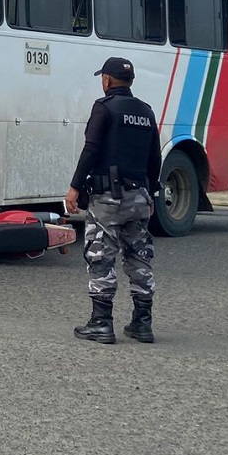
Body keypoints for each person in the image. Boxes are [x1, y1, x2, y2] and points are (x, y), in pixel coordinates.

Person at [64, 57, 162, 344]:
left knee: (100, 256)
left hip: (109, 198)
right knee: (139, 257)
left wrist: (74, 188)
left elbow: (91, 149)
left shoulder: (104, 108)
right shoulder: (146, 111)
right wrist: (152, 192)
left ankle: (101, 323)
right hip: (140, 197)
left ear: (107, 80)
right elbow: (154, 156)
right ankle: (143, 324)